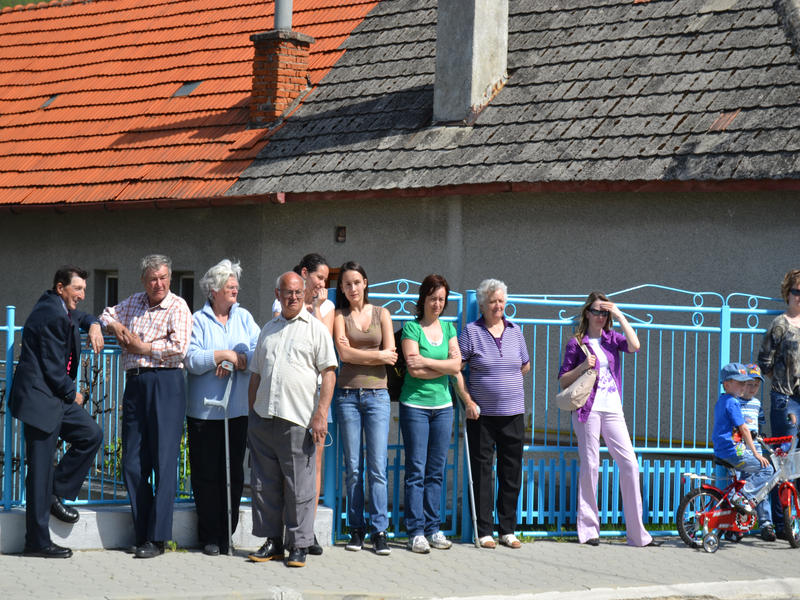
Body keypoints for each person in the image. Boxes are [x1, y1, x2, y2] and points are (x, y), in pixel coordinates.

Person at [99, 254, 192, 559]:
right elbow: (106, 313)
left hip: (166, 382)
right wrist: (111, 327)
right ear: (143, 280)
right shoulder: (134, 302)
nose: (158, 284)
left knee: (164, 461)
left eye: (163, 277)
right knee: (132, 461)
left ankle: (158, 537)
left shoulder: (178, 306)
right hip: (136, 383)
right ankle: (142, 532)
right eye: (153, 279)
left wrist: (144, 347)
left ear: (170, 278)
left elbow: (179, 348)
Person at [10, 266, 104, 558]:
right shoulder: (51, 314)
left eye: (84, 290)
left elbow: (79, 316)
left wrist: (94, 324)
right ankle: (37, 543)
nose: (82, 295)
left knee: (91, 434)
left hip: (54, 398)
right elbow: (52, 367)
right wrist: (72, 393)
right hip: (40, 400)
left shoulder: (58, 306)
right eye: (77, 289)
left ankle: (54, 491)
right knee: (39, 472)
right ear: (61, 287)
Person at [247, 271, 337, 568]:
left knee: (300, 486)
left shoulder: (316, 330)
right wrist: (252, 414)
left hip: (298, 418)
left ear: (305, 293)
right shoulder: (267, 329)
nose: (294, 297)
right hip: (264, 418)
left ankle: (299, 544)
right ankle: (273, 541)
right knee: (265, 485)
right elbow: (256, 374)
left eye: (299, 292)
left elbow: (329, 373)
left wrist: (321, 413)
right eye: (288, 292)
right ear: (278, 294)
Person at [557, 292, 658, 547]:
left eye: (605, 312)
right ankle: (589, 530)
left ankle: (637, 534)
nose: (600, 316)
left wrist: (620, 315)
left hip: (613, 409)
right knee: (591, 465)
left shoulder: (612, 339)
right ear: (587, 313)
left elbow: (635, 345)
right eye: (596, 311)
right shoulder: (576, 343)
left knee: (630, 464)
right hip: (587, 410)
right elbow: (563, 380)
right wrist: (583, 366)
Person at [184, 259, 260, 556]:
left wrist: (238, 360)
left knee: (233, 475)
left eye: (236, 286)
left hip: (236, 410)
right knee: (206, 474)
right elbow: (191, 359)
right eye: (230, 287)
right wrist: (221, 355)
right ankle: (209, 535)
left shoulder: (244, 317)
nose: (235, 291)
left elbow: (257, 352)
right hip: (203, 412)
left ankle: (227, 532)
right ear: (214, 290)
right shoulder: (198, 320)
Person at [453, 279, 530, 549]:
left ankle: (507, 530)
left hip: (513, 412)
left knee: (511, 471)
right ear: (483, 305)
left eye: (500, 301)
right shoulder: (471, 332)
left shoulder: (516, 331)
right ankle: (484, 531)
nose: (498, 306)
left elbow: (525, 365)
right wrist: (468, 400)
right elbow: (456, 369)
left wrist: (504, 383)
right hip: (481, 415)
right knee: (482, 471)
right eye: (492, 302)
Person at [332, 261, 397, 555]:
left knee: (377, 467)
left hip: (377, 396)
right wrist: (376, 354)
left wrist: (362, 354)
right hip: (347, 395)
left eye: (357, 282)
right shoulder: (339, 316)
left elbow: (391, 355)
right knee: (354, 468)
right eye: (347, 284)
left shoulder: (382, 314)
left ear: (365, 283)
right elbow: (343, 355)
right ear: (342, 288)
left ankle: (379, 530)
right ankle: (356, 529)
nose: (352, 288)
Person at [271, 252, 333, 555]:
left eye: (326, 280)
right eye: (320, 277)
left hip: (316, 396)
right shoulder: (284, 300)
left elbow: (324, 340)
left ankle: (308, 531)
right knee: (286, 468)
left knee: (313, 465)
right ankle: (288, 530)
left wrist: (317, 307)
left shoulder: (327, 307)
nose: (323, 284)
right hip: (288, 401)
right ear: (305, 274)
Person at [399, 274, 461, 554]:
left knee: (436, 471)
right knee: (416, 470)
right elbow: (413, 370)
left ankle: (433, 528)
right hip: (415, 406)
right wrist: (443, 366)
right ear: (423, 298)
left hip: (443, 407)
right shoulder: (411, 328)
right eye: (433, 298)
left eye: (441, 299)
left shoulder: (449, 329)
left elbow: (457, 366)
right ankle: (415, 532)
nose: (437, 304)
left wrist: (426, 360)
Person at [712, 362, 774, 523]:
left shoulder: (721, 400)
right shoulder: (733, 402)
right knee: (767, 470)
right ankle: (742, 496)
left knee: (734, 484)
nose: (743, 386)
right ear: (727, 384)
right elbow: (744, 429)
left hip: (722, 450)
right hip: (734, 451)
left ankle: (731, 522)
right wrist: (756, 454)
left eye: (744, 382)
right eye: (739, 383)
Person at [734, 363, 775, 541]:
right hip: (740, 451)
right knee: (736, 485)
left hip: (756, 451)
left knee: (762, 489)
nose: (752, 388)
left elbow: (759, 426)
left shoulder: (757, 404)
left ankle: (766, 524)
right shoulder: (735, 402)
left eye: (756, 385)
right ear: (742, 384)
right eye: (749, 384)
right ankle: (736, 525)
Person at [758, 269, 800, 438]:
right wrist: (782, 382)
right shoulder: (780, 324)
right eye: (797, 292)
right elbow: (764, 362)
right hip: (787, 400)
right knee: (785, 449)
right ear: (787, 293)